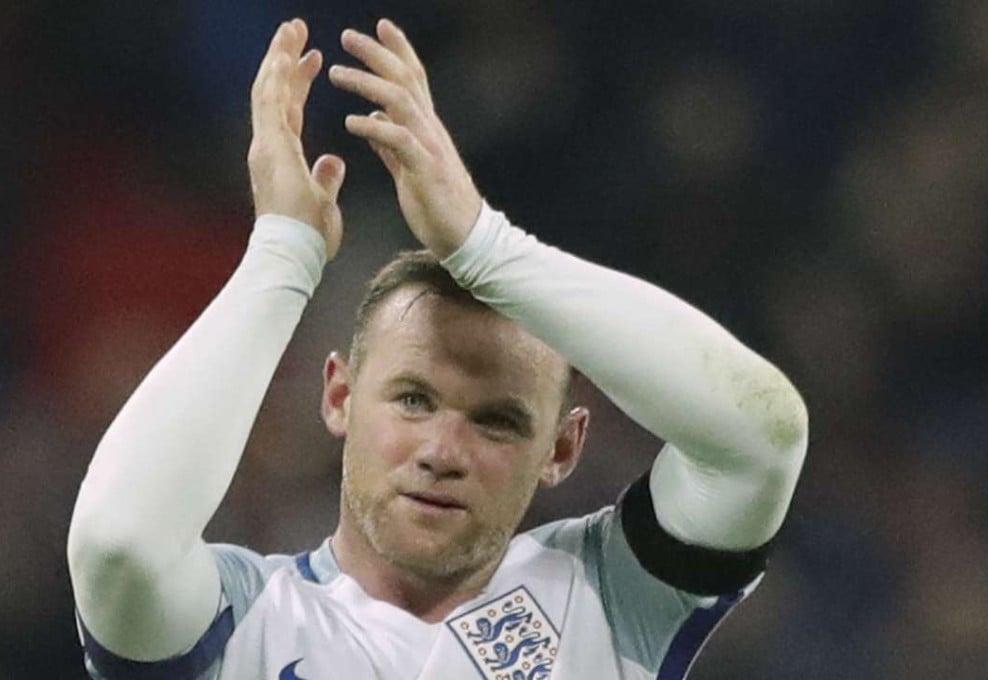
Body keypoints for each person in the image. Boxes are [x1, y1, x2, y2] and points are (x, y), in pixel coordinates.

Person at [67, 17, 808, 680]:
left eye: (498, 421)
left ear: (563, 448)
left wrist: (490, 247)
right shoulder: (240, 625)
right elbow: (118, 544)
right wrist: (282, 253)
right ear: (339, 397)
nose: (443, 449)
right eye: (414, 399)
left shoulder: (609, 597)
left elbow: (758, 438)